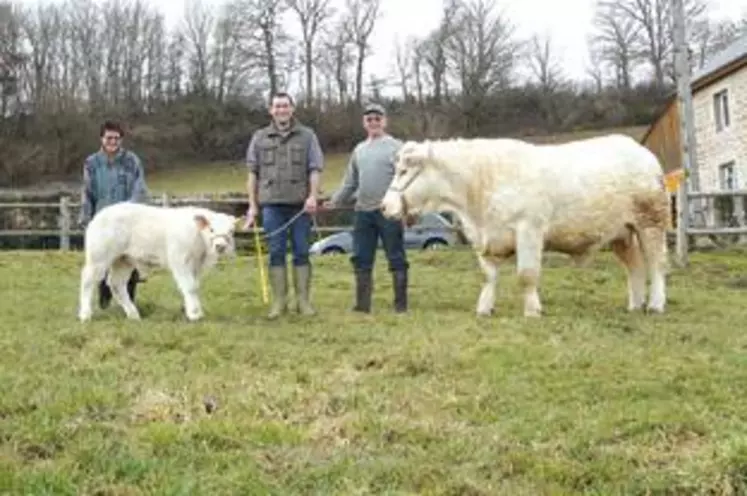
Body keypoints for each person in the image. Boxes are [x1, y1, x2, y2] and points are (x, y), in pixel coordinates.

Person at [245, 92, 324, 319]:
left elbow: (315, 169)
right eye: (277, 106)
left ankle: (303, 301)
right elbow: (252, 173)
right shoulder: (259, 138)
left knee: (301, 251)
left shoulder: (308, 136)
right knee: (276, 252)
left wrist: (312, 197)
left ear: (292, 109)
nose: (282, 110)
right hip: (271, 206)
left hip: (300, 207)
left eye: (285, 106)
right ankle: (279, 302)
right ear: (271, 110)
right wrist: (252, 205)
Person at [324, 103, 409, 313]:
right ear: (364, 123)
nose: (373, 122)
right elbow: (350, 182)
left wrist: (408, 208)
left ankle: (400, 305)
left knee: (396, 257)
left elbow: (407, 180)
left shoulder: (397, 147)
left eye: (377, 119)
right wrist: (335, 201)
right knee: (361, 258)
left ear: (385, 121)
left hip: (389, 212)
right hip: (363, 212)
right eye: (369, 119)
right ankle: (362, 305)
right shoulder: (359, 150)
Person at [79, 120, 149, 309]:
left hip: (129, 222)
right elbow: (88, 191)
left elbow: (140, 188)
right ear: (102, 138)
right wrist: (87, 219)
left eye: (117, 138)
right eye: (109, 138)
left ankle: (129, 302)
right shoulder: (92, 163)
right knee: (101, 261)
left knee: (130, 261)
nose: (113, 141)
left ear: (121, 140)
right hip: (103, 221)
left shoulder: (131, 161)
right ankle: (105, 302)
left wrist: (133, 211)